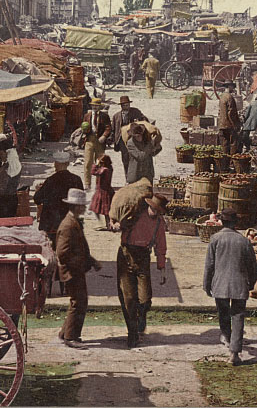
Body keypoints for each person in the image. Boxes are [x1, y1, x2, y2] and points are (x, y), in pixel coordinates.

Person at [203, 208, 257, 366]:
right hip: (240, 284)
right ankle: (234, 353)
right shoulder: (244, 241)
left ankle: (227, 338)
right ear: (235, 222)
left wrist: (206, 285)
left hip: (220, 284)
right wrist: (251, 283)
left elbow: (209, 265)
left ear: (221, 222)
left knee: (223, 313)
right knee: (238, 316)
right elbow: (253, 267)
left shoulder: (215, 239)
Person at [116, 193, 168, 348]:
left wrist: (162, 268)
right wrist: (115, 224)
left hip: (144, 257)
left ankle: (141, 317)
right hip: (126, 255)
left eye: (158, 211)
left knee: (145, 298)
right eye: (154, 209)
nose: (155, 212)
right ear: (149, 206)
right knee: (129, 298)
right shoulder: (134, 216)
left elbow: (161, 246)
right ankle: (132, 334)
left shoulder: (159, 223)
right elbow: (118, 222)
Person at [55, 188, 102, 349]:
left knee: (77, 301)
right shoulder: (68, 225)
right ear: (76, 207)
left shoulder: (72, 222)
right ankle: (71, 336)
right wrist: (79, 263)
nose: (84, 208)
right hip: (72, 272)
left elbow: (79, 248)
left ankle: (65, 333)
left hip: (75, 270)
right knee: (79, 302)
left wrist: (91, 261)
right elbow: (62, 253)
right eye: (82, 206)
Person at [34, 149, 84, 247]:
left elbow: (37, 199)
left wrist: (37, 190)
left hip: (51, 224)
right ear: (68, 164)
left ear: (55, 164)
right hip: (70, 222)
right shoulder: (76, 179)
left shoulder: (50, 181)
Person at [111, 96, 148, 174]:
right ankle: (128, 177)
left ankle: (136, 176)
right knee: (125, 159)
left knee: (135, 158)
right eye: (124, 105)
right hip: (122, 141)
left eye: (127, 105)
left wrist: (138, 123)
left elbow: (144, 120)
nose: (126, 106)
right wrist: (112, 140)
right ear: (121, 106)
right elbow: (113, 130)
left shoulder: (136, 112)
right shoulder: (116, 116)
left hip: (134, 139)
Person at [0, 134, 21, 218]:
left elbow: (1, 187)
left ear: (6, 152)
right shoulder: (9, 164)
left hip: (4, 202)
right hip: (5, 201)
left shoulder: (10, 166)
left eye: (0, 152)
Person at [82, 98, 112, 190]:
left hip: (99, 141)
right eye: (93, 105)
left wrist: (104, 136)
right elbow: (84, 127)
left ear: (99, 106)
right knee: (87, 162)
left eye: (96, 105)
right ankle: (87, 183)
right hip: (90, 140)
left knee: (100, 162)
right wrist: (84, 130)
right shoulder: (87, 115)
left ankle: (98, 184)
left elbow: (108, 128)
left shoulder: (104, 116)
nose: (94, 107)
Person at [89, 154, 115, 230]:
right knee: (104, 210)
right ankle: (107, 224)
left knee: (104, 210)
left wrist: (95, 164)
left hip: (103, 192)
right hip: (103, 191)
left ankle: (106, 224)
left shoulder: (104, 170)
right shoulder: (109, 168)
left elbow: (93, 172)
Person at [218, 82, 242, 157]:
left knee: (225, 144)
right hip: (229, 125)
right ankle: (232, 162)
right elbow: (231, 113)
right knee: (233, 143)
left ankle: (225, 161)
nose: (233, 88)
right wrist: (235, 124)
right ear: (229, 86)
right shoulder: (230, 97)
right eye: (232, 87)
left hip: (222, 124)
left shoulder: (222, 96)